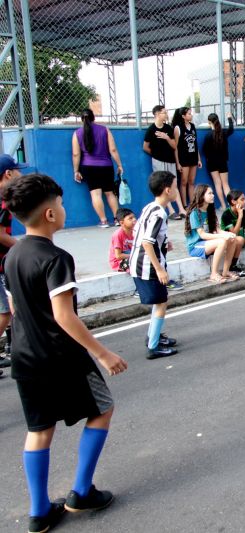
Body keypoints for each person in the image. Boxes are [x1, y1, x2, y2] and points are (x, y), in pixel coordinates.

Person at [3, 173, 128, 533]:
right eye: (58, 203)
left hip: (25, 358)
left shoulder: (12, 256)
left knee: (39, 430)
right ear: (50, 215)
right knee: (102, 408)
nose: (62, 207)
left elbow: (14, 307)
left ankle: (39, 512)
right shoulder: (56, 258)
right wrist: (102, 353)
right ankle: (81, 491)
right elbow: (63, 315)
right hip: (61, 356)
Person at [129, 170, 180, 359]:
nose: (177, 191)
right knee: (161, 303)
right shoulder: (159, 213)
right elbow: (147, 241)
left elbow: (140, 232)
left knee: (160, 301)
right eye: (175, 187)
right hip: (148, 266)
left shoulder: (150, 207)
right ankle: (153, 346)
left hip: (139, 263)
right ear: (167, 190)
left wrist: (164, 242)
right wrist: (159, 269)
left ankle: (154, 335)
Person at [72, 109, 123, 228]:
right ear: (93, 117)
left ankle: (104, 221)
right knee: (110, 193)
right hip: (106, 166)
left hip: (88, 167)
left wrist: (76, 171)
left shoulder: (77, 133)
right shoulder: (105, 130)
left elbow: (76, 154)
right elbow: (113, 150)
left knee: (95, 194)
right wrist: (119, 165)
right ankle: (117, 219)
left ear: (81, 119)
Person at [0, 154, 25, 373]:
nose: (20, 174)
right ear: (8, 174)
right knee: (6, 311)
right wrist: (21, 247)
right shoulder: (2, 201)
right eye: (18, 171)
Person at [184, 184, 239, 284]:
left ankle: (226, 271)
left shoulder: (210, 210)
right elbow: (202, 235)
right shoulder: (195, 213)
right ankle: (213, 274)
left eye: (213, 193)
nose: (213, 195)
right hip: (196, 246)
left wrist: (228, 234)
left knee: (232, 239)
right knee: (222, 242)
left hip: (208, 243)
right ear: (201, 195)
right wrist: (223, 236)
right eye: (209, 193)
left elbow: (217, 230)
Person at [143, 105, 184, 220]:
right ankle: (171, 211)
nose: (166, 114)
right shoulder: (151, 130)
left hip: (170, 160)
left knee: (173, 183)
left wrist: (167, 138)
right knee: (163, 185)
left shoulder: (168, 128)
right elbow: (145, 147)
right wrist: (156, 155)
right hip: (158, 161)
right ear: (157, 114)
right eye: (164, 112)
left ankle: (181, 209)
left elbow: (174, 145)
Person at [203, 113, 235, 209]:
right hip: (223, 161)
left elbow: (205, 150)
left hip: (212, 162)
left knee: (217, 184)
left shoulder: (208, 135)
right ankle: (232, 204)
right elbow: (231, 129)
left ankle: (223, 205)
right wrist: (229, 118)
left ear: (209, 122)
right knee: (226, 184)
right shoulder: (223, 133)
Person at [108, 208, 135, 272]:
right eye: (130, 218)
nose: (134, 219)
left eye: (134, 217)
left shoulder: (135, 231)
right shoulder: (118, 235)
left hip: (130, 253)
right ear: (122, 223)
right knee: (138, 262)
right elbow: (118, 256)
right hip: (118, 261)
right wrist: (135, 255)